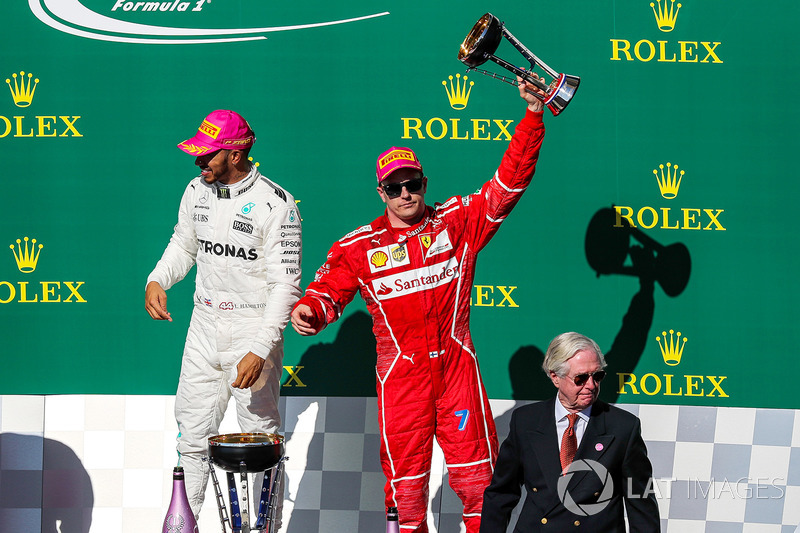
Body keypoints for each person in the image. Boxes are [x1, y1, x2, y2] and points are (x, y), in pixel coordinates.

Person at [290, 77, 547, 532]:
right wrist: (310, 312)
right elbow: (327, 292)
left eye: (413, 184)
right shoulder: (357, 247)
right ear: (381, 193)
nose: (406, 194)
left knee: (479, 486)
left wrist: (532, 118)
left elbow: (508, 184)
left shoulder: (457, 222)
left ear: (424, 183)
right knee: (406, 497)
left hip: (456, 369)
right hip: (401, 378)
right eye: (395, 187)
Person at [145, 110, 301, 519]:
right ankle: (186, 525)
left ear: (235, 154)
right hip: (204, 325)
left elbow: (285, 286)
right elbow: (184, 244)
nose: (199, 162)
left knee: (259, 441)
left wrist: (260, 348)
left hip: (253, 328)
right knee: (191, 438)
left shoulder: (277, 204)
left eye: (207, 155)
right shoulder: (196, 189)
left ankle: (260, 529)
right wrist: (158, 279)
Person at [480, 332, 660, 532]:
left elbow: (641, 501)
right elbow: (501, 495)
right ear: (555, 377)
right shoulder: (526, 422)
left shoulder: (624, 427)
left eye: (597, 376)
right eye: (581, 378)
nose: (591, 386)